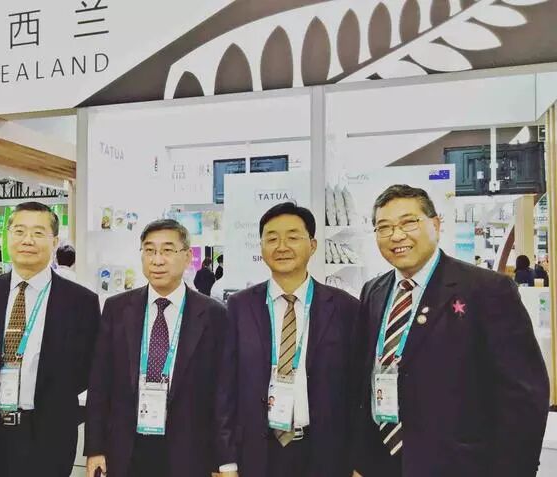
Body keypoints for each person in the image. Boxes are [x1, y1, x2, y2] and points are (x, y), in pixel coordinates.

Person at [352, 185, 549, 477]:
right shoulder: (374, 291)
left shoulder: (487, 289)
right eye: (384, 227)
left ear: (435, 224)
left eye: (408, 222)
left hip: (461, 465)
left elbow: (524, 395)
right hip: (384, 464)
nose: (396, 235)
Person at [0, 201, 100, 477]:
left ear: (54, 241)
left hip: (48, 437)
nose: (27, 240)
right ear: (8, 236)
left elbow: (89, 374)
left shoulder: (81, 302)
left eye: (38, 233)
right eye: (19, 231)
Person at [216, 202, 360, 477]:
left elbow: (356, 392)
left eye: (293, 237)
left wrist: (359, 462)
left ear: (313, 245)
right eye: (271, 239)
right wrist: (227, 462)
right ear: (261, 248)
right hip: (257, 452)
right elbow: (225, 388)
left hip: (325, 454)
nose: (281, 246)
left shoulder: (345, 308)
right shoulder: (239, 306)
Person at [85, 219, 228, 477]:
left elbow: (222, 392)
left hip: (190, 451)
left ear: (187, 257)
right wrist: (95, 448)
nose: (157, 260)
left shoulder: (213, 314)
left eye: (167, 250)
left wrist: (223, 460)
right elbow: (100, 382)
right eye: (149, 250)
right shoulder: (117, 309)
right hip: (127, 449)